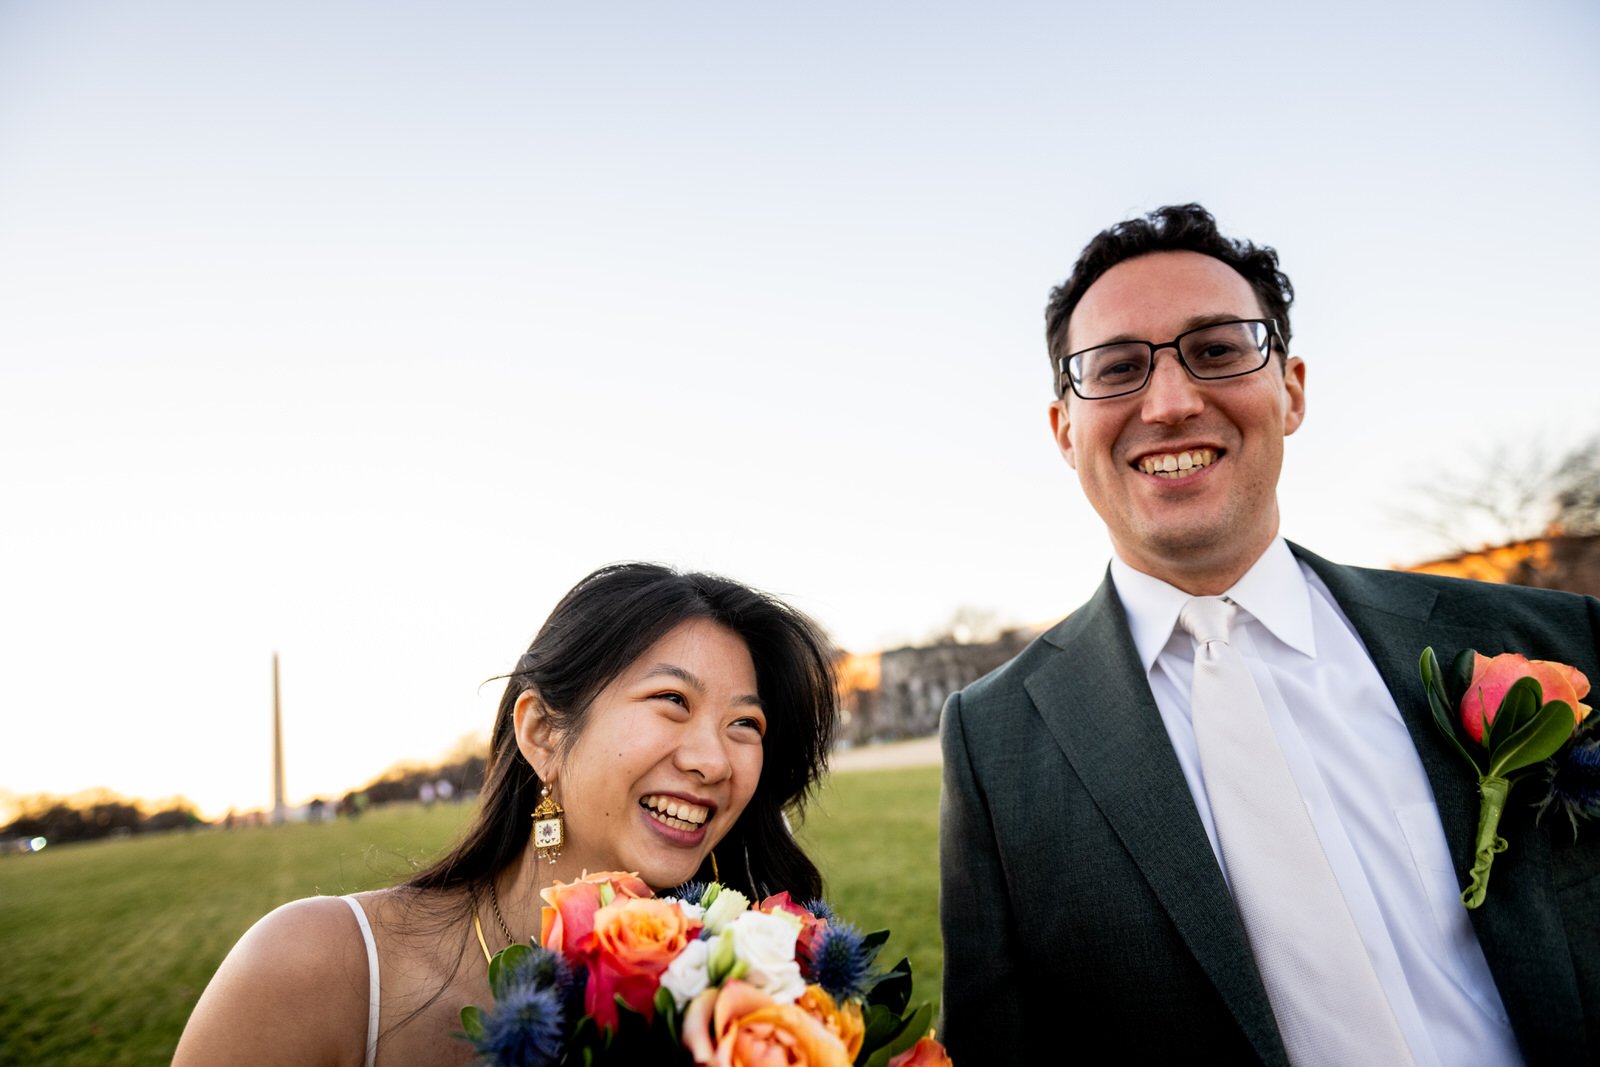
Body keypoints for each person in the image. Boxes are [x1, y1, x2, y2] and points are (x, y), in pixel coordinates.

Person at [938, 204, 1600, 1065]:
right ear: (1066, 430)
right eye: (1117, 368)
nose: (1171, 402)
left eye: (1216, 350)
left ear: (1290, 391)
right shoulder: (995, 742)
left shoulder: (1552, 639)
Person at [176, 562, 837, 1066]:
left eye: (744, 722)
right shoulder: (315, 965)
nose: (713, 760)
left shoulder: (766, 997)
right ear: (544, 733)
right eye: (671, 699)